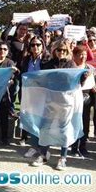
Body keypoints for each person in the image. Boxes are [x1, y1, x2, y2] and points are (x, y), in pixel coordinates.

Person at [31, 38, 80, 170]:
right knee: (46, 128)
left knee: (64, 129)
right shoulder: (48, 64)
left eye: (64, 50)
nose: (61, 52)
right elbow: (42, 80)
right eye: (59, 50)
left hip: (65, 102)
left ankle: (63, 157)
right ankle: (43, 154)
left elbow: (76, 80)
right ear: (54, 51)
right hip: (50, 101)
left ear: (67, 50)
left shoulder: (71, 64)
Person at [19, 35, 51, 148]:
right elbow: (22, 74)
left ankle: (41, 145)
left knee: (41, 120)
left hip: (43, 94)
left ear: (42, 46)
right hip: (29, 94)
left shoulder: (47, 59)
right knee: (30, 118)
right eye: (32, 45)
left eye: (38, 44)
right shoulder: (26, 59)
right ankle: (31, 144)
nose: (35, 47)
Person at [71, 45, 96, 157]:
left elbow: (93, 82)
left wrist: (94, 85)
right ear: (74, 56)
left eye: (85, 55)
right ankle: (73, 146)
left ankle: (83, 146)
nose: (83, 57)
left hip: (86, 97)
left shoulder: (90, 68)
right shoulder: (71, 68)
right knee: (74, 122)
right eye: (80, 54)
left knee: (85, 122)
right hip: (74, 97)